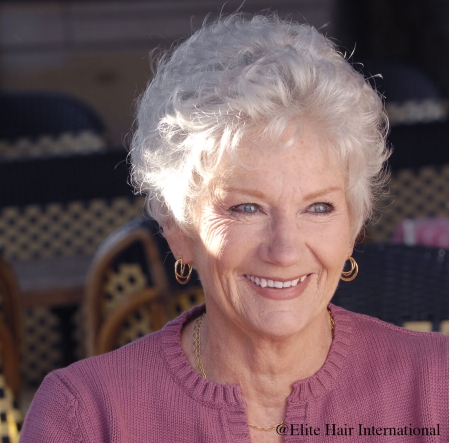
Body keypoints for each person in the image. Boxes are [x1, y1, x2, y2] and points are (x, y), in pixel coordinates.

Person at [20, 13, 447, 443]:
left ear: (353, 224)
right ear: (177, 228)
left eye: (318, 207)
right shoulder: (83, 415)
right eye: (247, 207)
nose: (284, 250)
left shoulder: (437, 388)